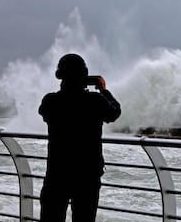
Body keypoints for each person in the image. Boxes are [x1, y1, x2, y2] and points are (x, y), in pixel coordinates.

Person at [38, 53, 121, 222]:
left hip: (57, 172)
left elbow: (44, 113)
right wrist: (104, 90)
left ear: (59, 75)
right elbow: (114, 113)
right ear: (84, 74)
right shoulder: (96, 101)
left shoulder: (50, 101)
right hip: (87, 175)